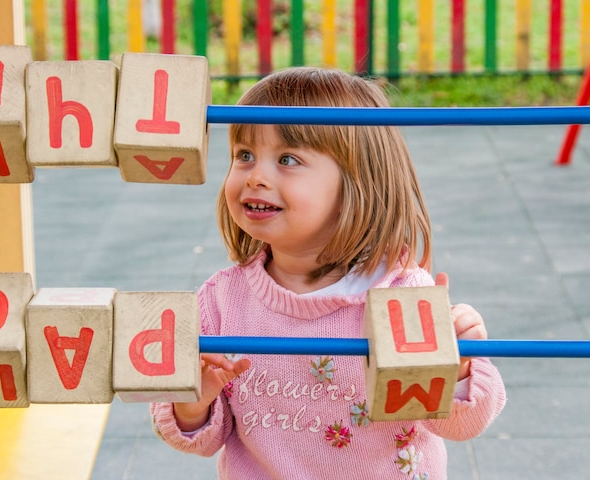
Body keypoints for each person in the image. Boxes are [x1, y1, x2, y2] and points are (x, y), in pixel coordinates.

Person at [151, 67, 506, 479]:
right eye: (244, 155)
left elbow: (461, 425)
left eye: (288, 159)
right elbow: (194, 436)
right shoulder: (220, 300)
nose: (256, 176)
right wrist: (193, 400)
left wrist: (460, 370)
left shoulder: (402, 296)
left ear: (357, 183)